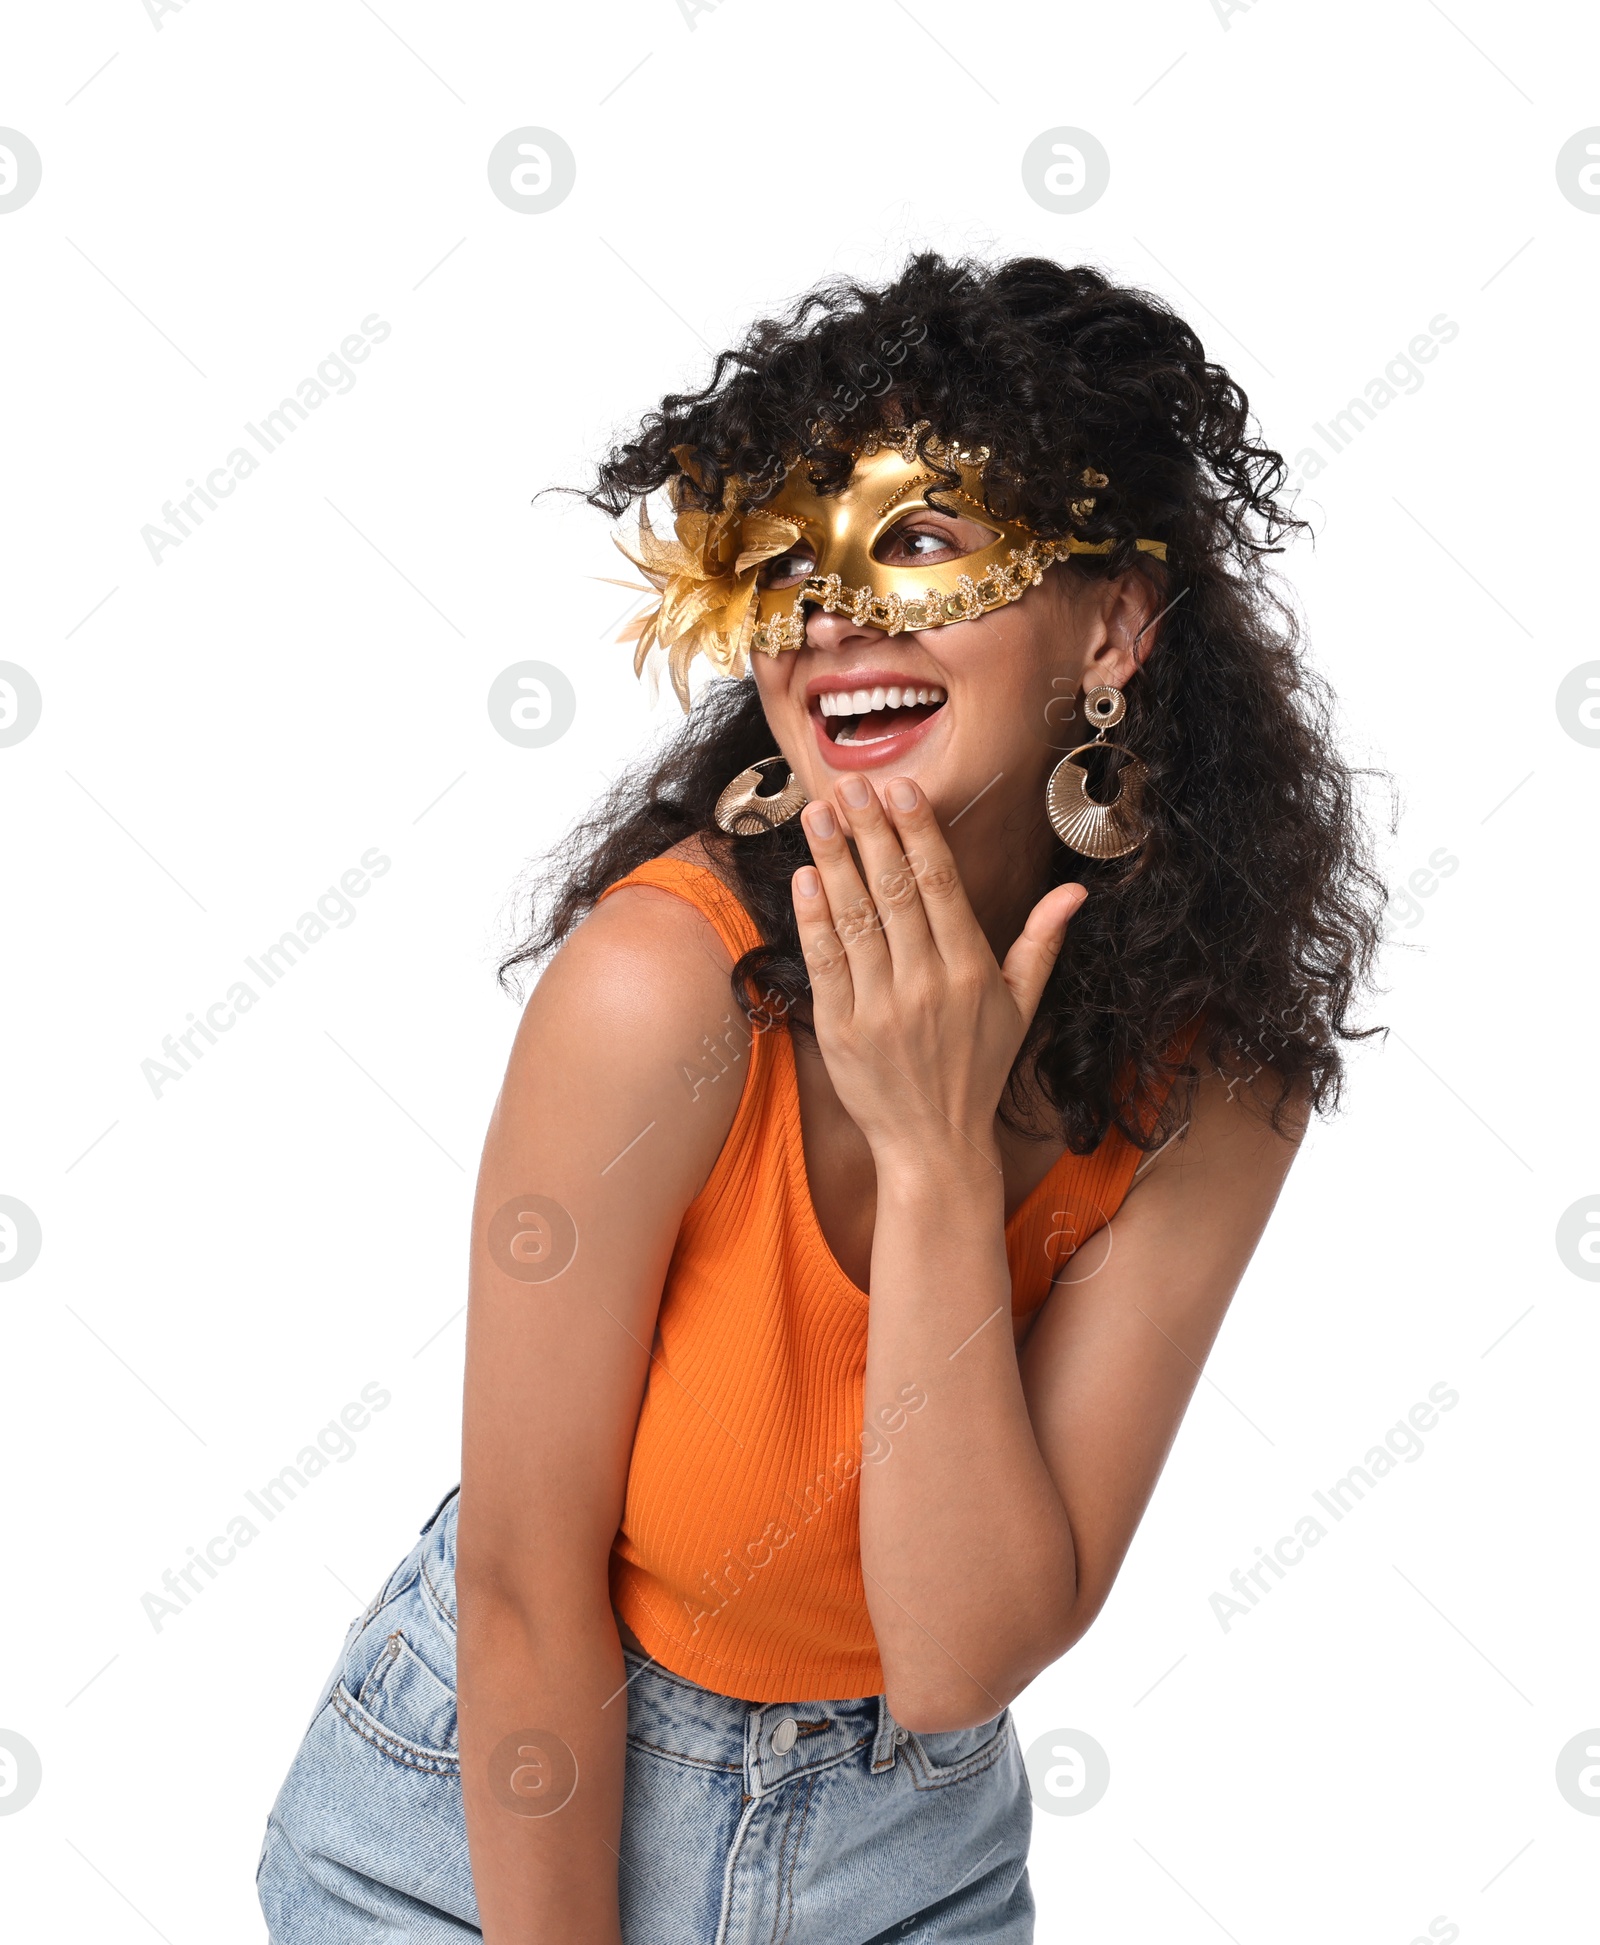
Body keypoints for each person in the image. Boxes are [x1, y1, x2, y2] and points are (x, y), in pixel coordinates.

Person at [257, 252, 1383, 1942]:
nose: (834, 616)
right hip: (483, 1828)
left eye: (921, 542)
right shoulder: (657, 993)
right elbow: (518, 1585)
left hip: (905, 1855)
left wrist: (936, 1159)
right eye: (783, 567)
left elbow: (957, 1654)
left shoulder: (1213, 1083)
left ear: (1113, 623)